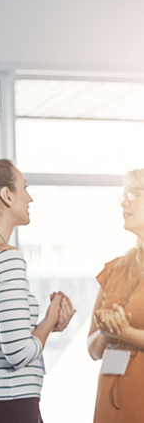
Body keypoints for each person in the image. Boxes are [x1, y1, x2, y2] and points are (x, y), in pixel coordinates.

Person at [0, 160, 75, 423]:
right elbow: (19, 353)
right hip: (8, 406)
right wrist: (50, 318)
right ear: (7, 195)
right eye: (25, 187)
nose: (30, 197)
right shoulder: (7, 258)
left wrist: (48, 326)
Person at [88, 168, 144, 423]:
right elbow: (92, 349)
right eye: (123, 195)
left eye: (133, 194)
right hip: (109, 405)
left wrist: (125, 332)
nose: (123, 203)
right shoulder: (113, 270)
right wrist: (107, 330)